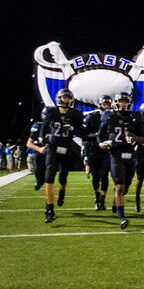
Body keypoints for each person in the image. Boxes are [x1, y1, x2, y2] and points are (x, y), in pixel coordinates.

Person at [37, 89, 85, 223]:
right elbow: (44, 128)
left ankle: (62, 190)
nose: (67, 100)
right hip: (52, 148)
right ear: (59, 98)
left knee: (63, 177)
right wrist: (42, 139)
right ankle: (49, 208)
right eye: (64, 97)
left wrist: (73, 129)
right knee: (49, 176)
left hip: (67, 149)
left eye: (69, 98)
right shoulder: (51, 112)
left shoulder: (76, 114)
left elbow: (82, 132)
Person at [98, 92, 144, 229]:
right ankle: (122, 217)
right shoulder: (108, 116)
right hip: (115, 153)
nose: (123, 104)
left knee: (127, 185)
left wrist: (135, 138)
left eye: (126, 101)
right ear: (116, 103)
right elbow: (100, 136)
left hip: (130, 154)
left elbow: (143, 137)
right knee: (119, 185)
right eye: (121, 101)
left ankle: (115, 202)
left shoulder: (135, 117)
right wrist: (102, 143)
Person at [84, 95, 113, 210]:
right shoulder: (92, 116)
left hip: (107, 149)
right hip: (94, 149)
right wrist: (97, 137)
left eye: (108, 104)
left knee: (104, 174)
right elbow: (85, 135)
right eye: (104, 104)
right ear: (100, 104)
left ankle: (102, 200)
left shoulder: (113, 116)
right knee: (95, 177)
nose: (106, 106)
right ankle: (97, 196)